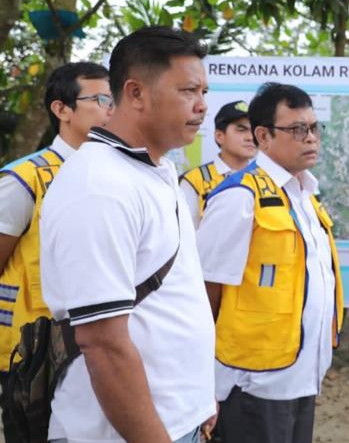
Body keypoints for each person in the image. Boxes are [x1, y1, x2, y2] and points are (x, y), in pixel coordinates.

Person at [39, 27, 217, 442]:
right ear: (135, 93)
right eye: (189, 91)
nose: (202, 106)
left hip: (176, 416)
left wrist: (198, 397)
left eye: (204, 91)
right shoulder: (99, 186)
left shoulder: (157, 169)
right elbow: (102, 343)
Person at [196, 82, 344, 443]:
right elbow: (204, 294)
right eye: (297, 129)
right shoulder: (239, 196)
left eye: (313, 128)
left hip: (302, 374)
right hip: (253, 383)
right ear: (263, 135)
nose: (310, 138)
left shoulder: (306, 196)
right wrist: (202, 386)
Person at [0, 62, 113, 441]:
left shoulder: (113, 175)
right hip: (32, 355)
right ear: (62, 110)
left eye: (114, 100)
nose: (111, 108)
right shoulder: (23, 179)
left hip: (97, 347)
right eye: (101, 99)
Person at [179, 100, 257, 227]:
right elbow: (185, 234)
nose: (250, 137)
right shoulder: (194, 181)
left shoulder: (266, 180)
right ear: (219, 136)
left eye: (254, 130)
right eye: (241, 129)